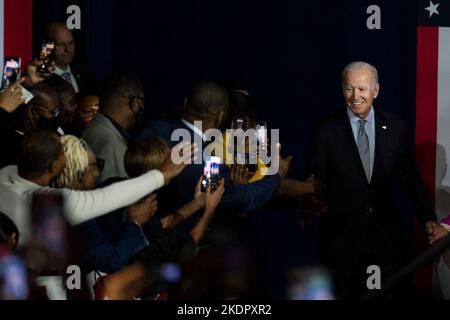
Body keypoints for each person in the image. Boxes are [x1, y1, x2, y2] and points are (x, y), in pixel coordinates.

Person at [306, 61, 437, 299]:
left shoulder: (397, 128)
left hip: (386, 242)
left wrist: (429, 218)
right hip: (341, 242)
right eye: (349, 88)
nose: (355, 96)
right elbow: (315, 177)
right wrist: (309, 200)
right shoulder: (325, 130)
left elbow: (411, 181)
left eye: (362, 89)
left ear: (376, 90)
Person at [0, 129, 196, 247]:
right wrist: (162, 175)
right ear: (53, 167)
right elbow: (108, 197)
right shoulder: (50, 204)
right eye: (62, 155)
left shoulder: (4, 173)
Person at [83, 71, 145, 183]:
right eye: (142, 100)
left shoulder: (94, 128)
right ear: (134, 102)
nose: (143, 106)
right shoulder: (112, 146)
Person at [46, 22, 96, 94]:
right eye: (60, 45)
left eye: (71, 43)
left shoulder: (85, 73)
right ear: (48, 46)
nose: (68, 49)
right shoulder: (41, 79)